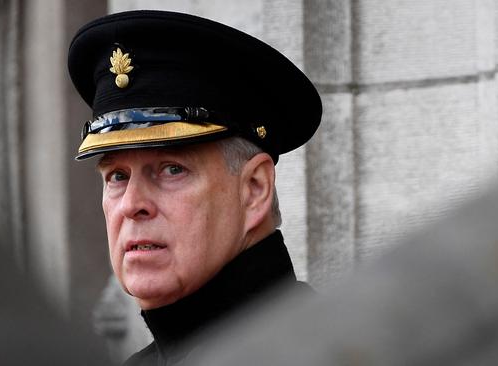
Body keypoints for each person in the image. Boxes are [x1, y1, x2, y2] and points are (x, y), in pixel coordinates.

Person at [67, 10, 322, 365]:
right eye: (117, 176)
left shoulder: (321, 351)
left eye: (172, 169)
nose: (132, 204)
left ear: (255, 189)